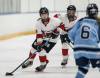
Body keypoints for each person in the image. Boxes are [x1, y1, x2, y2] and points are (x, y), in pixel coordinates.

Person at [22, 7, 66, 71]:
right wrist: (39, 44)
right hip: (43, 38)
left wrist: (57, 31)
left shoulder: (55, 21)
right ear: (40, 15)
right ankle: (30, 61)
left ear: (48, 14)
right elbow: (39, 35)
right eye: (42, 15)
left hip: (52, 40)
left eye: (45, 14)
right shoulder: (38, 23)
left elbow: (63, 25)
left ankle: (43, 64)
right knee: (33, 48)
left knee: (42, 51)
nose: (44, 16)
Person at [68, 3, 100, 78]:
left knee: (83, 69)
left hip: (78, 49)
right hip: (92, 48)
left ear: (87, 12)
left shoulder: (81, 20)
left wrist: (77, 42)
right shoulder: (98, 22)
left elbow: (71, 34)